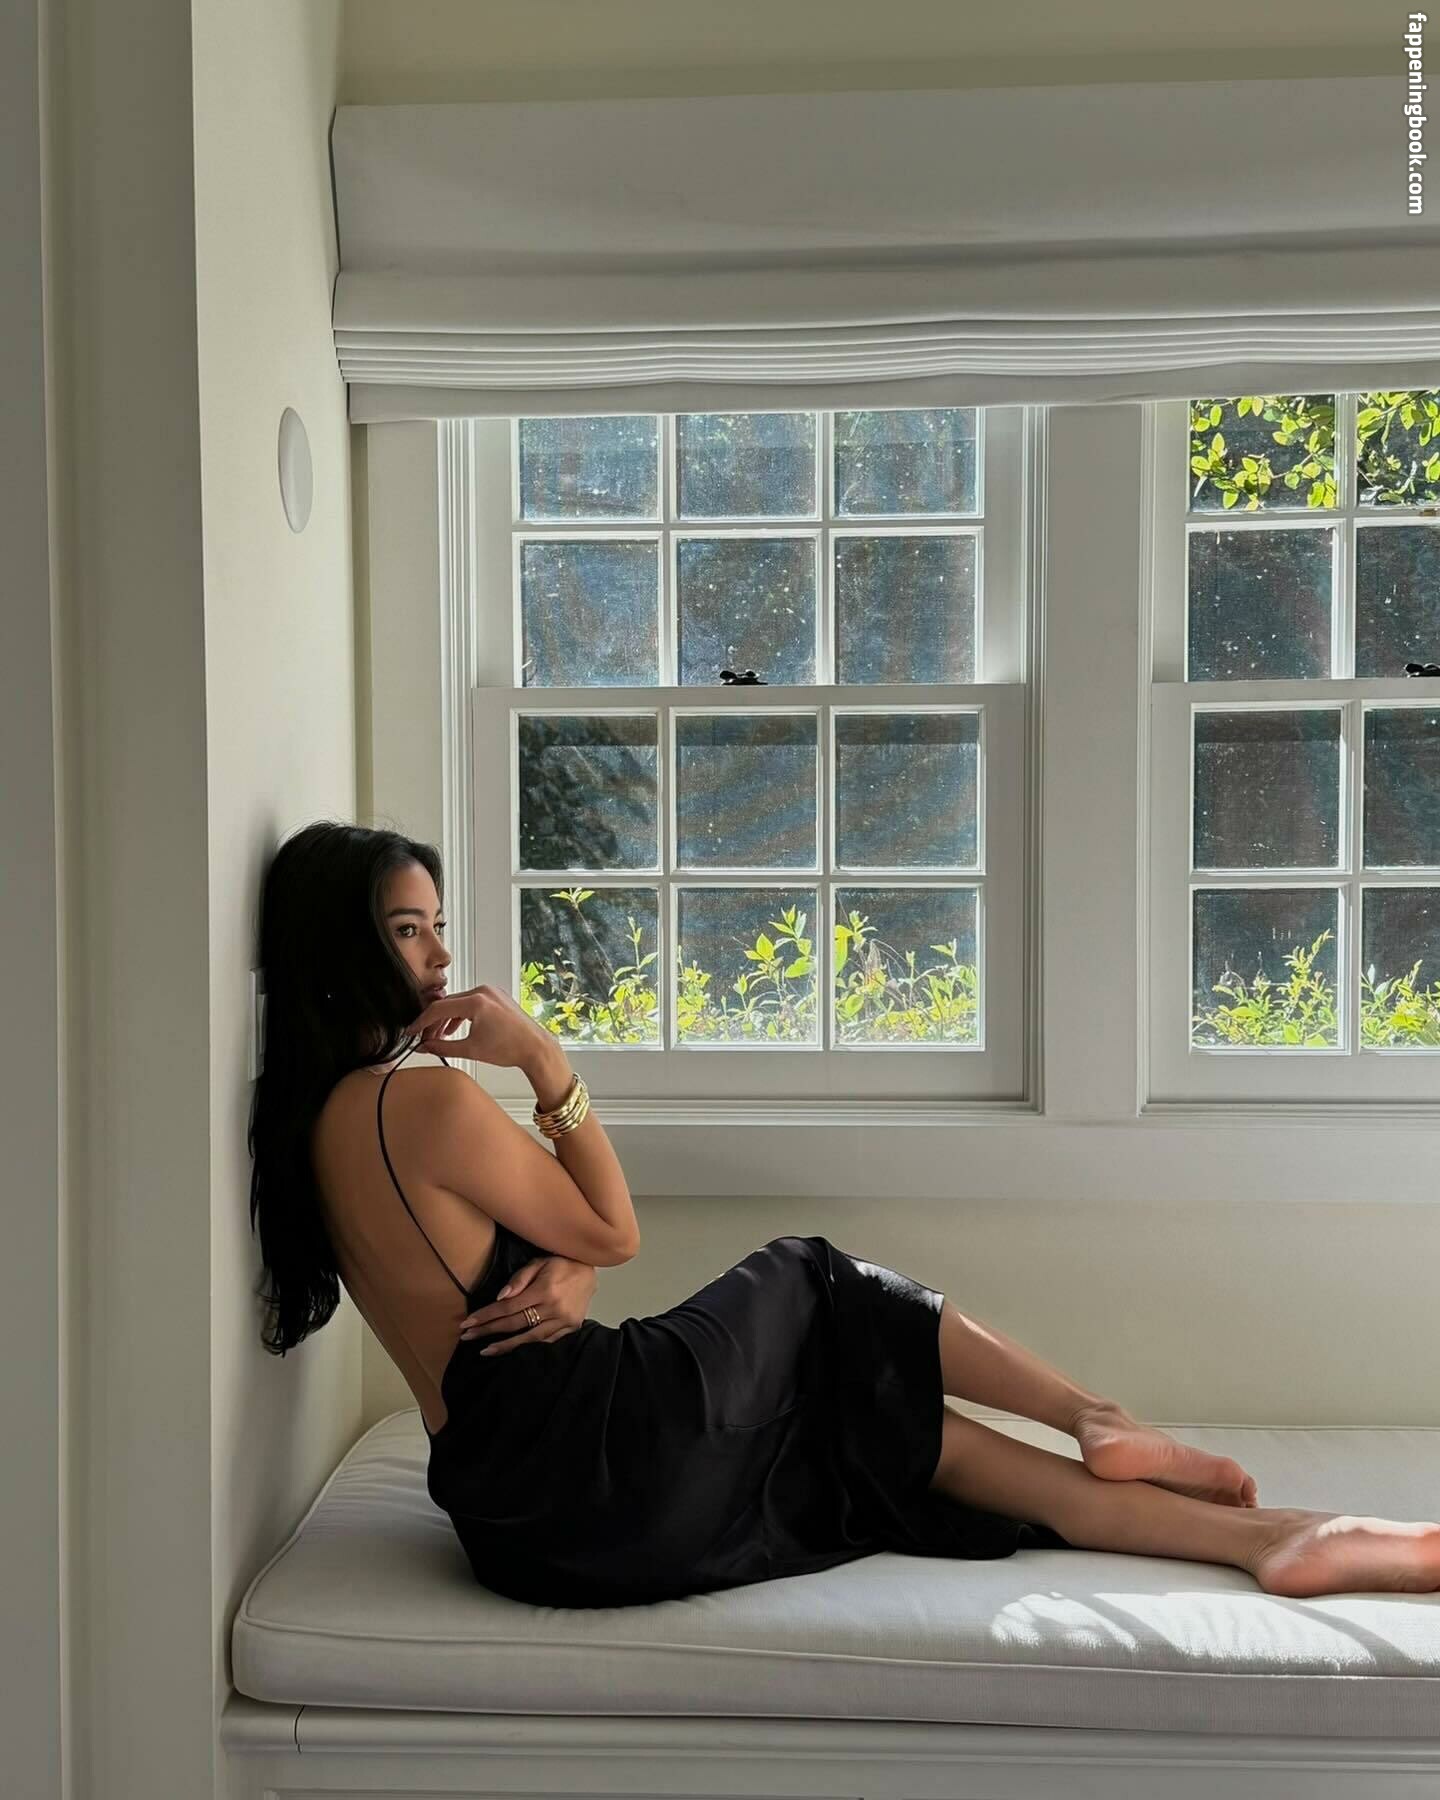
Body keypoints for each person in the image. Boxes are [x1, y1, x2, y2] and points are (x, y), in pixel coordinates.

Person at [249, 821, 1440, 1607]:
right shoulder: (423, 1102)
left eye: (438, 924)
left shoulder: (314, 1131)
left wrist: (573, 1273)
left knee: (875, 1418)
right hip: (612, 1452)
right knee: (812, 1275)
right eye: (407, 930)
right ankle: (1097, 1414)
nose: (440, 956)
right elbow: (611, 1228)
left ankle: (1266, 1539)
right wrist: (543, 1060)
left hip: (522, 1528)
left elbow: (500, 1279)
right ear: (340, 947)